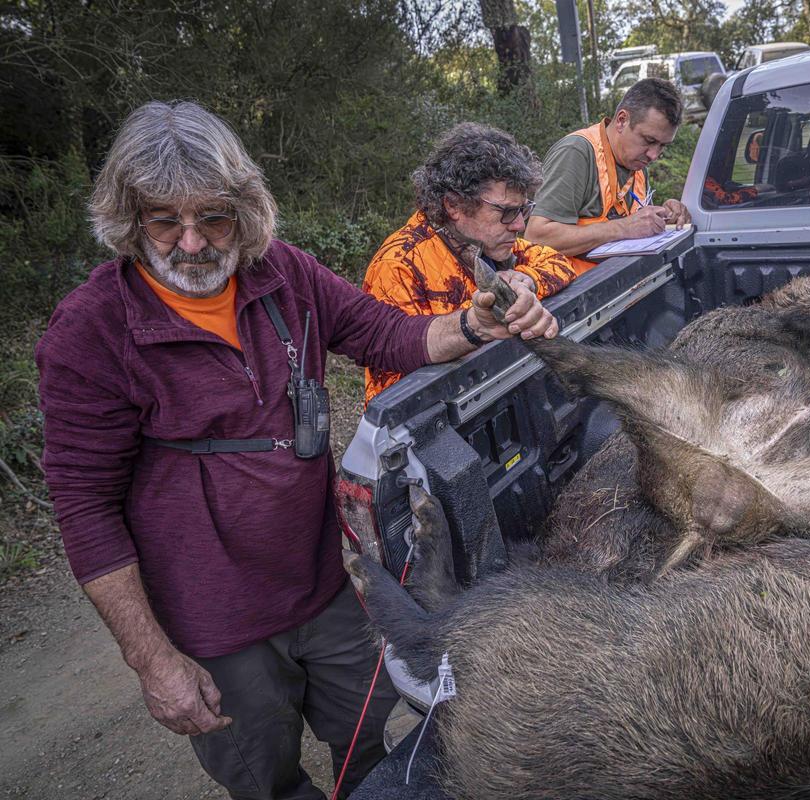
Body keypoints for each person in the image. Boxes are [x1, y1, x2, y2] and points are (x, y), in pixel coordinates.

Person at [34, 100, 557, 800]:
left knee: (372, 750)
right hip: (215, 624)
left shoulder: (282, 273)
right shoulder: (92, 330)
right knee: (266, 776)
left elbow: (387, 336)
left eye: (213, 218)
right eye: (164, 220)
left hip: (327, 587)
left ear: (245, 209)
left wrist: (474, 321)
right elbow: (85, 506)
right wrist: (153, 659)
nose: (191, 245)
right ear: (130, 220)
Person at [363, 122, 579, 404]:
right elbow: (396, 394)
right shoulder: (399, 266)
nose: (519, 224)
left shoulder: (486, 243)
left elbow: (558, 262)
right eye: (507, 211)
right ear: (454, 205)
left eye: (524, 210)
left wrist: (525, 281)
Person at [525, 77, 693, 272]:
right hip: (574, 295)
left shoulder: (637, 165)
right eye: (649, 140)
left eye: (663, 145)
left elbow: (636, 226)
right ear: (622, 120)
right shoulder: (576, 153)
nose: (654, 155)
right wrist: (624, 228)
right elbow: (536, 238)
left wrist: (664, 217)